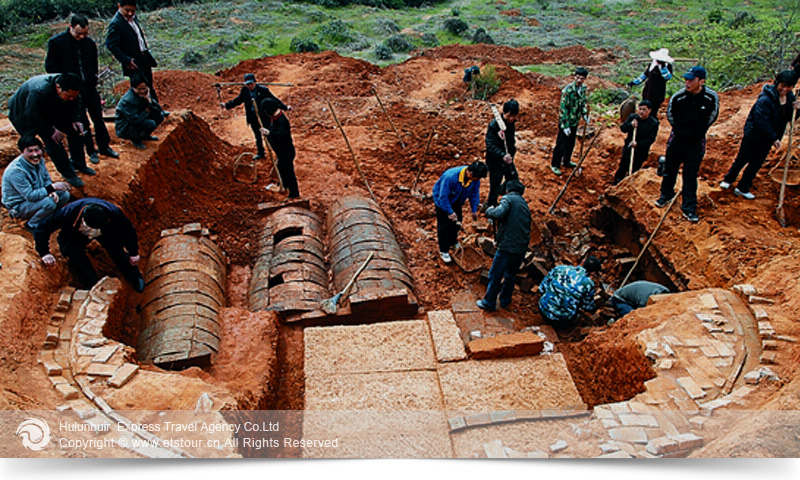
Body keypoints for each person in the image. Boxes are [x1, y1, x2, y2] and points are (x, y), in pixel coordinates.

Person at [45, 14, 119, 164]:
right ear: (70, 27)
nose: (81, 37)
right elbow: (51, 68)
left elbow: (94, 63)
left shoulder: (89, 43)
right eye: (78, 33)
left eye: (85, 33)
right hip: (72, 91)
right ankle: (91, 151)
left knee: (98, 118)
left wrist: (93, 78)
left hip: (90, 87)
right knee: (82, 122)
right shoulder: (57, 43)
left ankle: (104, 147)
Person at [33, 197, 145, 293]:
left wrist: (133, 252)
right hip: (77, 233)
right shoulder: (68, 213)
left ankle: (135, 276)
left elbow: (128, 230)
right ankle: (92, 282)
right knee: (74, 253)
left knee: (117, 251)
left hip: (105, 232)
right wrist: (44, 253)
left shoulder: (113, 212)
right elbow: (42, 228)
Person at [720, 70, 800, 199]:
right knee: (742, 159)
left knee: (756, 163)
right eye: (783, 85)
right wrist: (773, 137)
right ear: (777, 82)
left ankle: (743, 187)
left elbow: (790, 118)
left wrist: (797, 109)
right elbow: (761, 120)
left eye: (789, 86)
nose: (785, 89)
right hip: (754, 135)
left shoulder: (790, 98)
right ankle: (728, 180)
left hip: (769, 138)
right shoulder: (766, 99)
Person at [655, 66, 719, 223]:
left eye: (691, 80)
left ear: (701, 81)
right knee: (670, 169)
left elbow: (713, 115)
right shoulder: (678, 97)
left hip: (696, 142)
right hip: (678, 138)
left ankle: (689, 207)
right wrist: (680, 130)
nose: (687, 83)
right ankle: (666, 195)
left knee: (690, 175)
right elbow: (670, 114)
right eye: (686, 79)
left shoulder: (711, 97)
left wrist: (699, 131)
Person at [8, 73, 92, 188]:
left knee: (76, 131)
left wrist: (76, 119)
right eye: (69, 96)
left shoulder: (70, 88)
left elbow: (76, 103)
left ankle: (79, 164)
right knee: (53, 141)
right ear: (58, 88)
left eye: (74, 96)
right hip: (24, 114)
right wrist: (51, 130)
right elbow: (33, 114)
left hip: (50, 109)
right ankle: (68, 174)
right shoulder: (39, 90)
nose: (72, 98)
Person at [476, 179, 531, 311]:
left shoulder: (508, 199)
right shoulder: (524, 204)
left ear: (507, 190)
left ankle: (489, 303)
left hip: (507, 247)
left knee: (495, 275)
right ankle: (505, 300)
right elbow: (512, 225)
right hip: (521, 247)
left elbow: (498, 214)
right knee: (511, 275)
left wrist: (489, 210)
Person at [2, 137, 70, 230]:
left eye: (37, 150)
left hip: (36, 196)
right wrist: (51, 188)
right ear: (22, 152)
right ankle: (32, 224)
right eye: (30, 151)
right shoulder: (16, 171)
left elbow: (46, 178)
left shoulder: (39, 160)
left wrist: (51, 190)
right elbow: (30, 195)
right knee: (49, 203)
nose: (35, 154)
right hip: (19, 205)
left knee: (64, 194)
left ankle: (50, 216)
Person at [221, 73, 290, 160]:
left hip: (264, 117)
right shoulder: (244, 91)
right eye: (248, 84)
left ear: (255, 82)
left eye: (251, 83)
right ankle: (261, 153)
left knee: (270, 136)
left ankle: (278, 154)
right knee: (258, 136)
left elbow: (274, 100)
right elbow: (238, 100)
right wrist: (226, 105)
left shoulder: (263, 90)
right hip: (253, 117)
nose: (250, 86)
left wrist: (285, 107)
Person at [105, 0, 162, 103]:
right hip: (133, 62)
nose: (130, 13)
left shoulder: (133, 18)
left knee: (149, 85)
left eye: (133, 10)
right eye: (127, 10)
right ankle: (143, 113)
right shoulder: (116, 23)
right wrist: (126, 60)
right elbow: (111, 45)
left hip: (143, 57)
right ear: (119, 6)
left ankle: (155, 111)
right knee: (140, 89)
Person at [432, 161, 488, 264]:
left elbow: (474, 194)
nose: (477, 180)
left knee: (457, 222)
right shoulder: (450, 177)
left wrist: (474, 209)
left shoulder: (475, 180)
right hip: (442, 201)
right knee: (444, 227)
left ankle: (453, 241)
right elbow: (443, 197)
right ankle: (444, 250)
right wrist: (449, 212)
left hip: (457, 200)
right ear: (470, 173)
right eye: (477, 178)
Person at [538, 256, 601, 327]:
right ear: (593, 273)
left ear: (583, 262)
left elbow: (542, 287)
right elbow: (587, 306)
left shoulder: (560, 268)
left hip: (542, 310)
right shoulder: (588, 284)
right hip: (562, 321)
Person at [551, 67, 589, 176]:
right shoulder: (567, 91)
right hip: (565, 122)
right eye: (577, 77)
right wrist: (565, 125)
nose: (579, 80)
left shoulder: (582, 89)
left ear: (585, 79)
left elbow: (582, 103)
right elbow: (563, 109)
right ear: (574, 76)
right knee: (561, 144)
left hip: (574, 121)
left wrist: (585, 114)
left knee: (571, 143)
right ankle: (555, 165)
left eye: (581, 78)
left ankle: (566, 161)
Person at [258, 98, 299, 199]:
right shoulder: (274, 118)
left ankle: (294, 193)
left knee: (289, 172)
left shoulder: (282, 120)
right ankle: (283, 185)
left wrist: (270, 133)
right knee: (281, 169)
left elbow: (283, 135)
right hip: (280, 152)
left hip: (286, 152)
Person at [613, 99, 660, 185]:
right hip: (629, 148)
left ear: (649, 110)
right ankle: (616, 184)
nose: (641, 112)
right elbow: (623, 128)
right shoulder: (633, 117)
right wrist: (630, 125)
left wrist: (638, 144)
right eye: (640, 109)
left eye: (644, 110)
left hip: (640, 152)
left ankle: (629, 186)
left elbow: (651, 139)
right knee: (622, 168)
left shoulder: (653, 123)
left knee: (635, 170)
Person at [115, 74, 168, 149]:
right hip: (126, 126)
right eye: (139, 89)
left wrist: (149, 101)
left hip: (139, 117)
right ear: (133, 88)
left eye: (144, 88)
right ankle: (136, 139)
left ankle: (145, 136)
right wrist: (146, 112)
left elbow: (159, 110)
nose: (142, 91)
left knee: (160, 116)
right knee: (150, 124)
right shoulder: (128, 100)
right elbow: (134, 120)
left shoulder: (145, 94)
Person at [485, 99, 519, 207]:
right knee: (494, 187)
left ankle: (509, 201)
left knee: (514, 181)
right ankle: (491, 207)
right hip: (495, 162)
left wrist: (511, 154)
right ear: (504, 112)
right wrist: (502, 155)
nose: (511, 119)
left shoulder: (511, 123)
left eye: (514, 116)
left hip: (508, 160)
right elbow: (490, 145)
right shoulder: (494, 125)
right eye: (509, 116)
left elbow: (510, 141)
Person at [628, 48, 674, 115]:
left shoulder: (667, 67)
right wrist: (634, 82)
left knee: (653, 111)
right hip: (648, 90)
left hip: (658, 93)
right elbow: (644, 75)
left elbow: (667, 77)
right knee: (644, 109)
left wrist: (663, 68)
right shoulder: (652, 65)